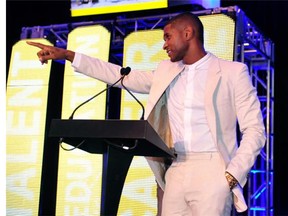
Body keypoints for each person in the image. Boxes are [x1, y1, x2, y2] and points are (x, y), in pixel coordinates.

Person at [27, 12, 266, 216]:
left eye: (167, 37)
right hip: (176, 168)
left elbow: (254, 130)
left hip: (213, 168)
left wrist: (231, 176)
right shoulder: (165, 70)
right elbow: (121, 76)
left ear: (188, 33)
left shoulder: (232, 72)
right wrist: (69, 55)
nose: (164, 44)